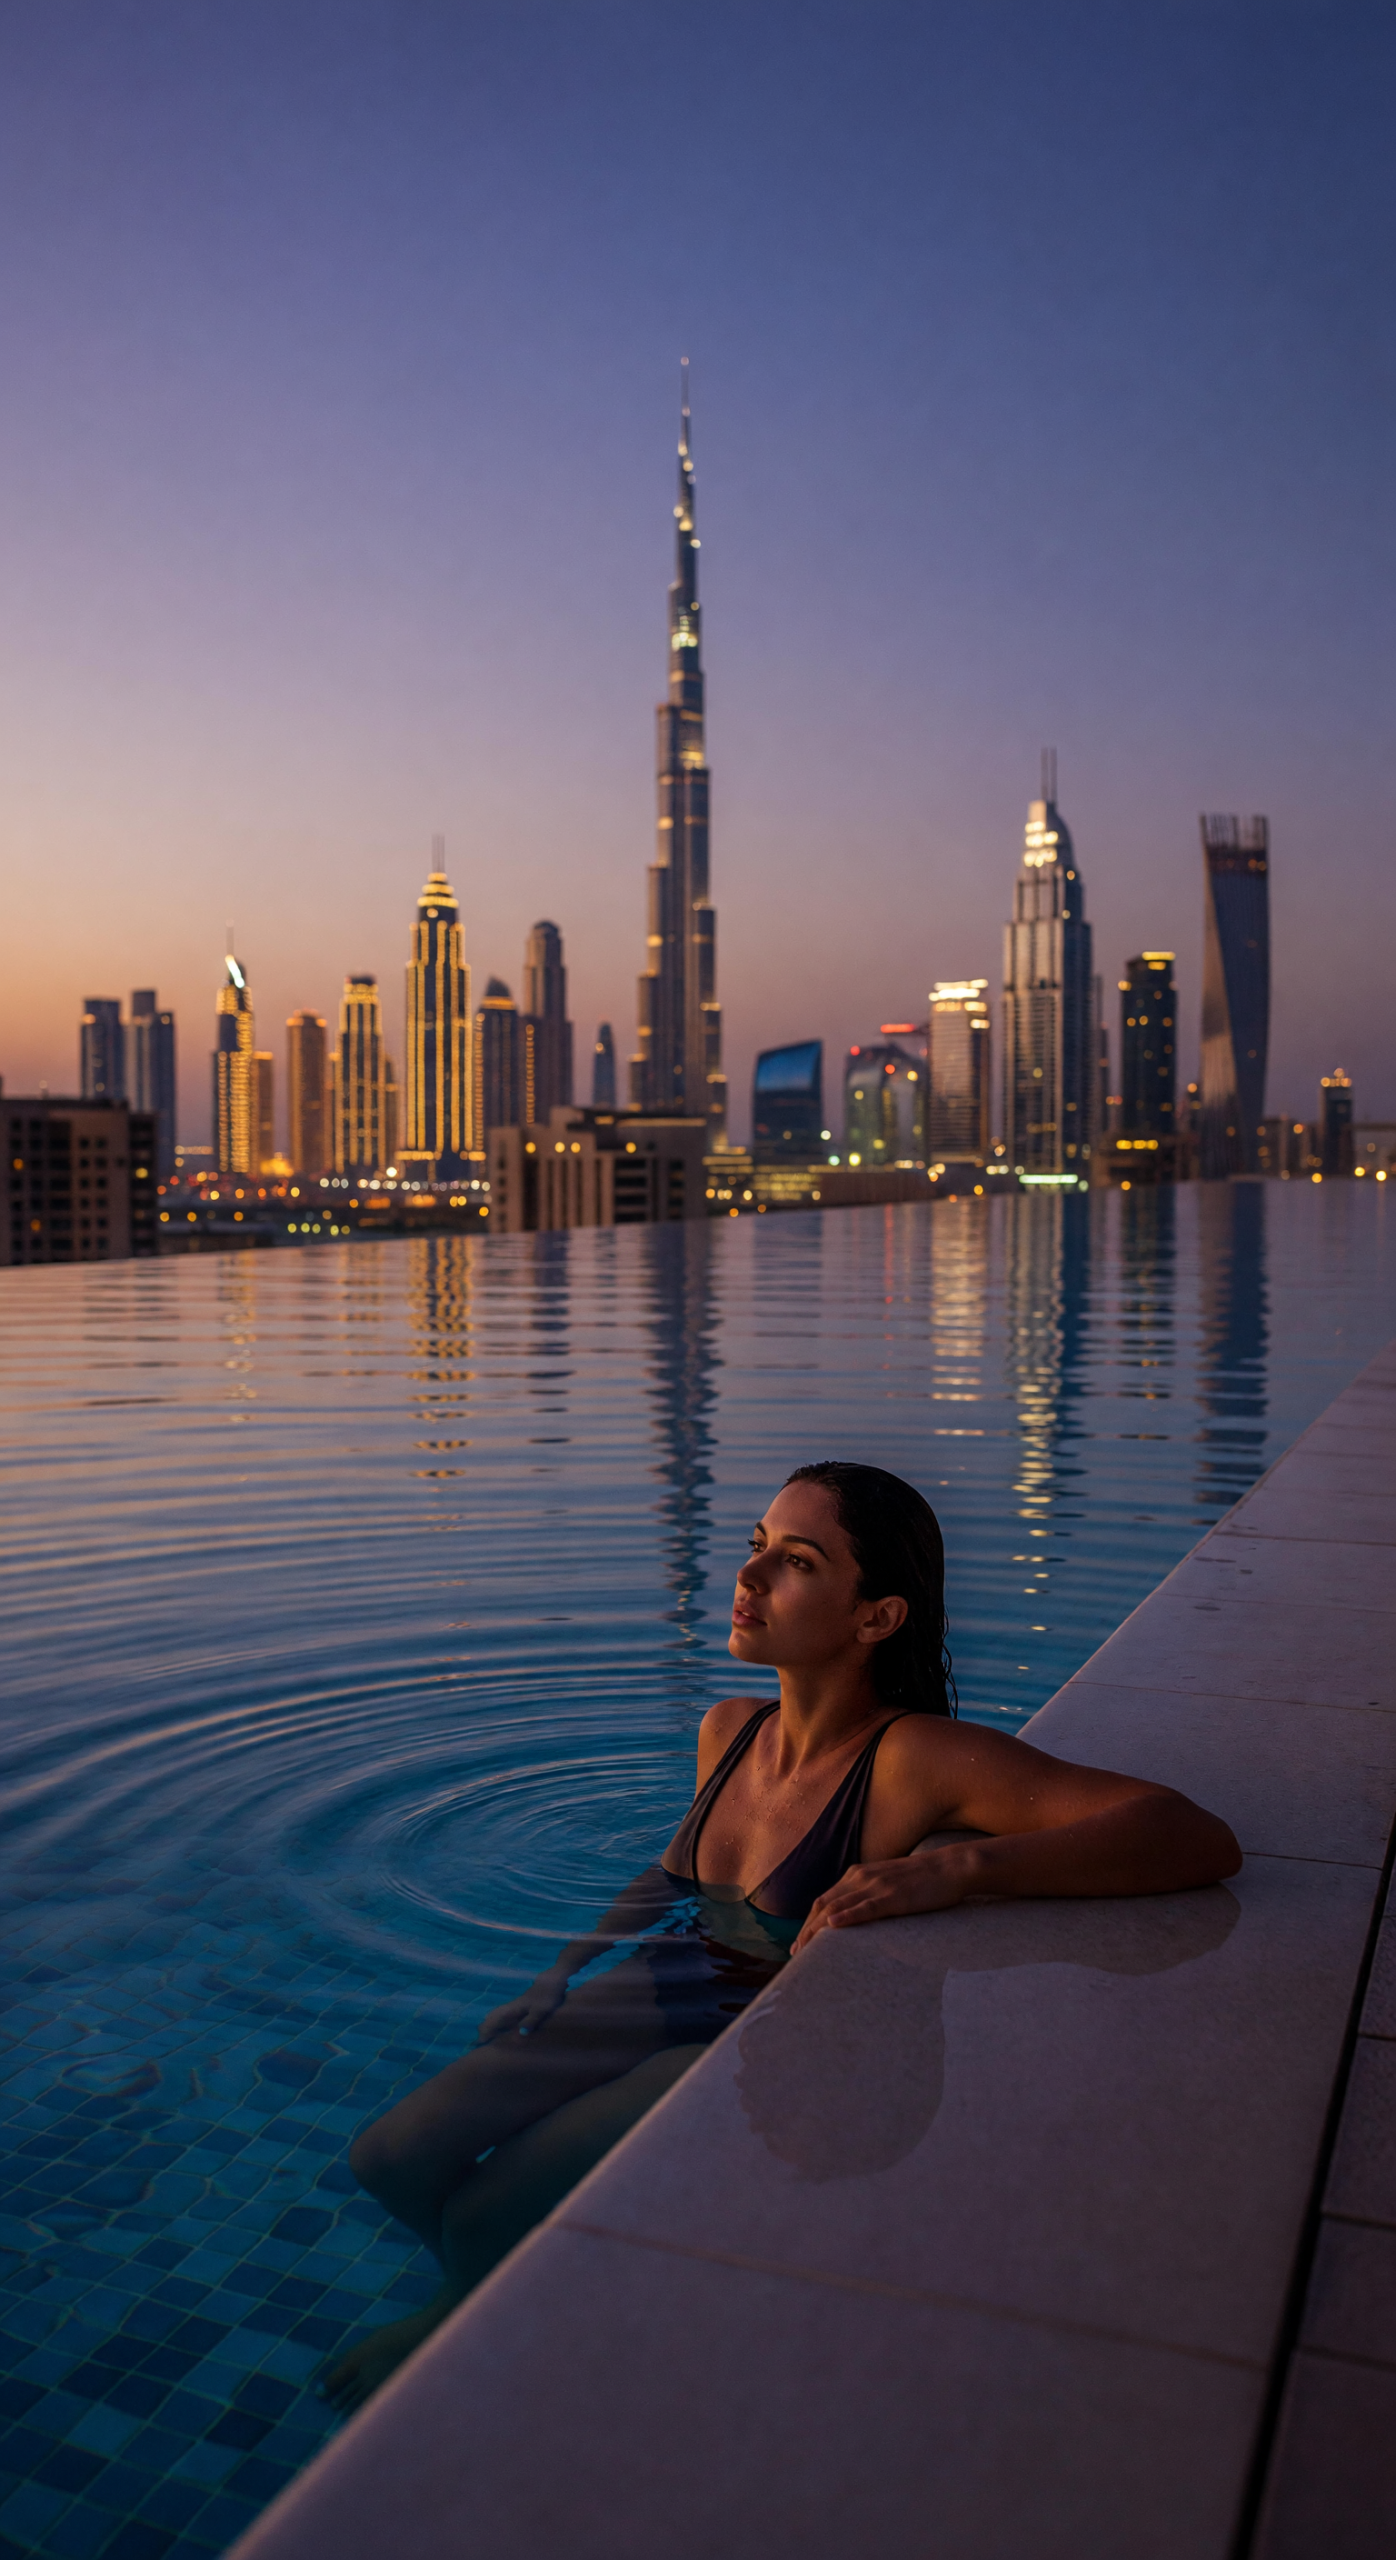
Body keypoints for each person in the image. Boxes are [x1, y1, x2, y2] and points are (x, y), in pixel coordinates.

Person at [323, 1460, 1239, 2412]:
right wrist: (563, 1968)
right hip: (670, 1976)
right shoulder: (728, 1730)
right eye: (756, 1547)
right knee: (388, 2157)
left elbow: (1190, 1833)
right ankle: (487, 2288)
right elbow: (676, 1869)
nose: (750, 1579)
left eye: (796, 1561)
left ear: (876, 1617)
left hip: (762, 2031)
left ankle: (461, 2311)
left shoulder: (913, 1760)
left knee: (482, 2209)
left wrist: (956, 1868)